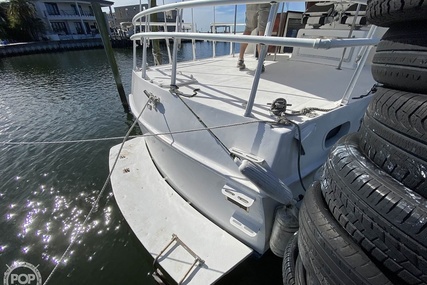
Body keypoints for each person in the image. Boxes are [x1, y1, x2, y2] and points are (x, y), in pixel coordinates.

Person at [237, 3, 271, 72]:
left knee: (248, 29)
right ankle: (260, 63)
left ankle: (240, 59)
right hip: (264, 3)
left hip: (251, 3)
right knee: (262, 31)